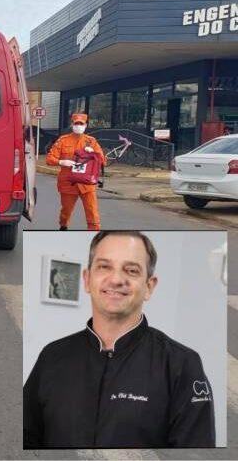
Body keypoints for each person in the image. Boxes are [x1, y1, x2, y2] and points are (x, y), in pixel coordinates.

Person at [24, 231, 215, 449]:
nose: (115, 280)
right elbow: (26, 437)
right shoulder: (53, 355)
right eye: (104, 267)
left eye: (131, 270)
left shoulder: (181, 364)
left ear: (149, 287)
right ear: (87, 279)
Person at [46, 113, 107, 230]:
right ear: (72, 124)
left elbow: (102, 161)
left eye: (81, 124)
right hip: (68, 183)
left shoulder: (91, 141)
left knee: (93, 214)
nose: (79, 126)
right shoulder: (63, 140)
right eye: (76, 123)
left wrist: (94, 153)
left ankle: (93, 236)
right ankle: (63, 226)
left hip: (87, 184)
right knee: (66, 212)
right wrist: (61, 162)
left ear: (86, 125)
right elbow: (49, 159)